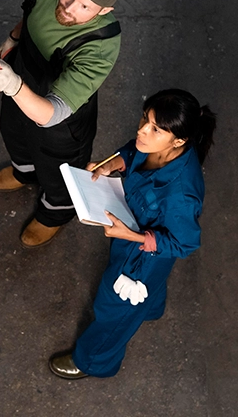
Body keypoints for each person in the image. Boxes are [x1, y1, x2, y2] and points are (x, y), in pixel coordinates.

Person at [47, 88, 216, 379]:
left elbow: (185, 243)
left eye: (155, 129)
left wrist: (134, 237)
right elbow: (133, 151)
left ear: (179, 140)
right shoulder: (153, 146)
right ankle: (150, 308)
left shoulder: (182, 194)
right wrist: (113, 164)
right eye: (144, 119)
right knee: (149, 291)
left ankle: (93, 361)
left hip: (142, 259)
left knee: (114, 309)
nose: (142, 131)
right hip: (131, 232)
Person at [0, 0, 124, 248]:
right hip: (19, 80)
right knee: (13, 131)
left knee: (59, 171)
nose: (70, 7)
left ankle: (54, 213)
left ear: (105, 11)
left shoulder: (101, 44)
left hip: (59, 121)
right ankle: (24, 172)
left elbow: (50, 114)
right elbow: (32, 11)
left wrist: (13, 86)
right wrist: (13, 38)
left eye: (85, 7)